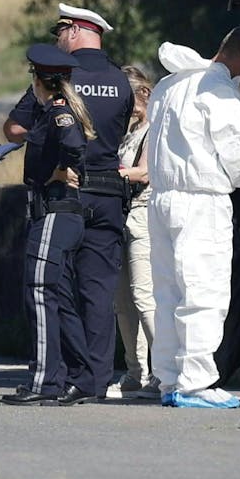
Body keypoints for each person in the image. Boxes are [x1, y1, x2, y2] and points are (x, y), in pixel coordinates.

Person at [146, 27, 240, 408]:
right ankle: (196, 383)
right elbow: (238, 166)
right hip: (202, 203)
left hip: (161, 200)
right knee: (204, 293)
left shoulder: (170, 85)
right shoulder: (221, 95)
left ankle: (169, 380)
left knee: (168, 295)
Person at [3, 4, 132, 403]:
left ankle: (55, 375)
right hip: (109, 194)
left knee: (53, 286)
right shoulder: (121, 81)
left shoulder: (59, 77)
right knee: (98, 290)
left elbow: (14, 127)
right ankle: (93, 380)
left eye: (61, 31)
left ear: (75, 32)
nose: (59, 38)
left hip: (66, 193)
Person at [2, 44, 95, 406]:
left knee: (39, 291)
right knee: (61, 298)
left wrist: (60, 170)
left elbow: (73, 145)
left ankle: (44, 381)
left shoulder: (58, 111)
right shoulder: (53, 110)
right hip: (61, 213)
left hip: (56, 212)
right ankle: (82, 378)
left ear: (41, 80)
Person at [109, 65, 159, 399]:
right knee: (123, 303)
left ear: (143, 93)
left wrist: (109, 173)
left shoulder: (154, 128)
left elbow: (144, 172)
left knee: (144, 296)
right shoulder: (130, 130)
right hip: (124, 215)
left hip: (143, 214)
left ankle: (163, 370)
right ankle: (135, 371)